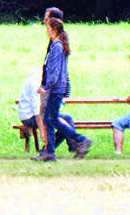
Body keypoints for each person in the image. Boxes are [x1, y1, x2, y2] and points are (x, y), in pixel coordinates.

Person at [33, 18, 92, 161]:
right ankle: (50, 153)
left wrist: (46, 86)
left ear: (54, 29)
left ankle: (81, 139)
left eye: (47, 28)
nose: (46, 31)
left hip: (55, 89)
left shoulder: (57, 47)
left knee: (51, 119)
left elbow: (55, 71)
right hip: (57, 88)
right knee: (49, 119)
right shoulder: (58, 45)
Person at [17, 69, 75, 154]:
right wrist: (42, 131)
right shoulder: (36, 83)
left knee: (64, 122)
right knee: (67, 120)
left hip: (30, 115)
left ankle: (47, 149)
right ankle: (74, 148)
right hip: (30, 118)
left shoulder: (37, 77)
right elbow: (36, 110)